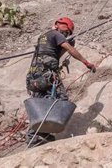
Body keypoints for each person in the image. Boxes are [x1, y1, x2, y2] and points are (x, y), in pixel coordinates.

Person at [25, 16, 96, 147]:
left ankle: (36, 137)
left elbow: (54, 55)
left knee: (42, 102)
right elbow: (70, 50)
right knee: (61, 99)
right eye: (66, 30)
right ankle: (41, 134)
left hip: (36, 75)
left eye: (68, 32)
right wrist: (86, 62)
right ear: (59, 25)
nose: (67, 33)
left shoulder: (44, 36)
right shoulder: (56, 34)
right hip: (47, 76)